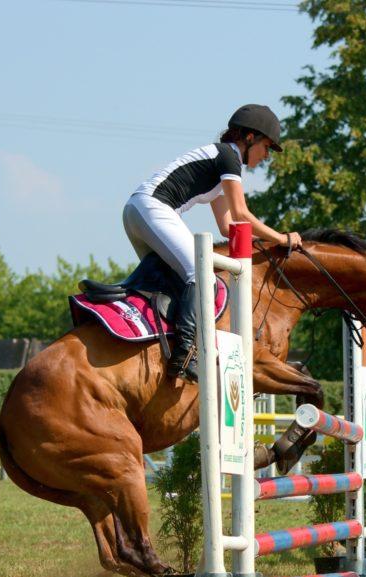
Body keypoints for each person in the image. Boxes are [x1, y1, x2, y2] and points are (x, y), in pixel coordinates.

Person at [123, 104, 302, 383]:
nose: (267, 156)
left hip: (137, 212)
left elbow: (229, 226)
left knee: (172, 282)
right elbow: (242, 214)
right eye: (267, 147)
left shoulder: (221, 163)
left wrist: (263, 245)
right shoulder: (229, 157)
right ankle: (185, 355)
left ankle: (157, 345)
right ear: (250, 137)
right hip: (153, 209)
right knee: (201, 275)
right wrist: (281, 238)